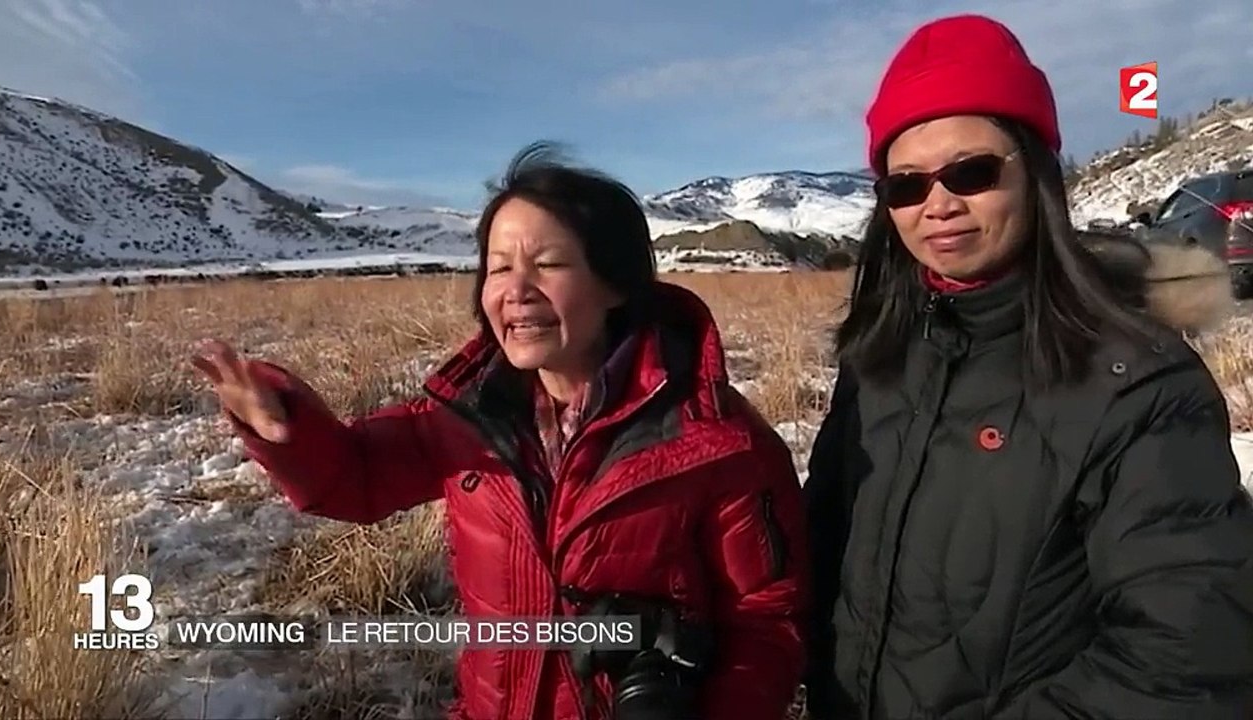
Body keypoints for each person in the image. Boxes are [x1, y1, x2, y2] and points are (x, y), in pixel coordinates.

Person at [191, 142, 808, 720]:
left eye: (548, 264)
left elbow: (768, 621)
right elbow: (359, 478)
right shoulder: (469, 418)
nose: (516, 291)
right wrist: (284, 425)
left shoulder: (716, 443)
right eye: (498, 267)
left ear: (615, 284)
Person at [803, 14, 1253, 720]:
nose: (939, 206)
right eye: (907, 187)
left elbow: (1186, 659)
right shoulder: (877, 359)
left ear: (1037, 175)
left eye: (971, 172)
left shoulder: (1136, 381)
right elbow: (821, 563)